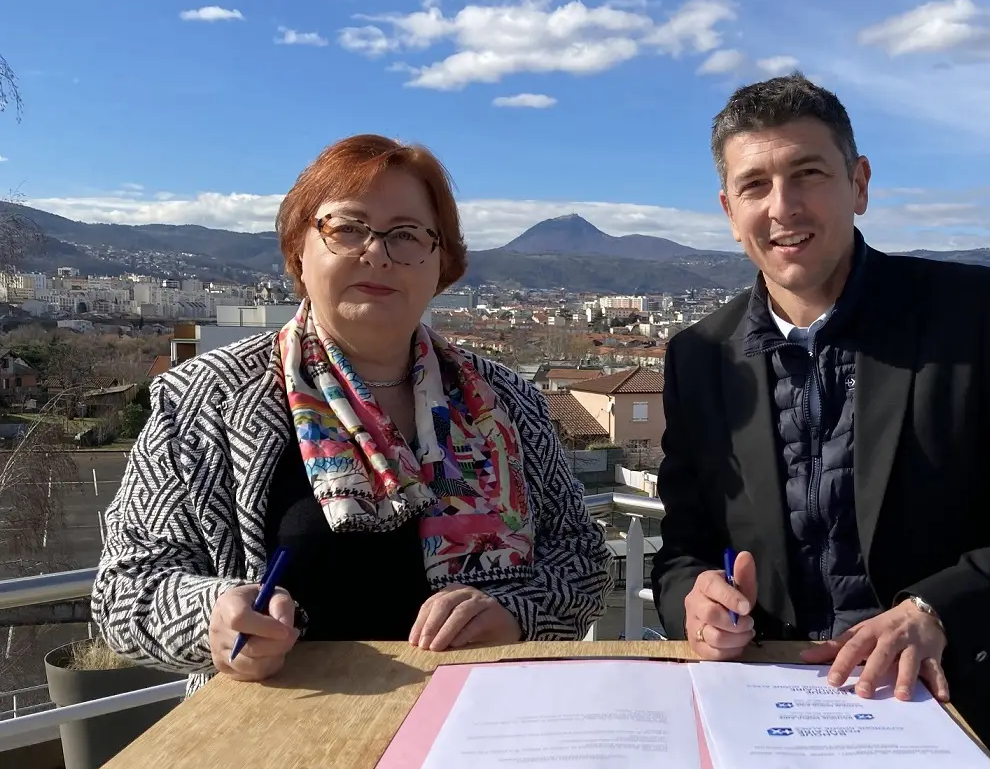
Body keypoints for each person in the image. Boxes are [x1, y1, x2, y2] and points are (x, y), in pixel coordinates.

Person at [649, 73, 990, 769]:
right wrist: (691, 599)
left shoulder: (973, 315)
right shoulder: (698, 355)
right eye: (755, 184)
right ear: (729, 212)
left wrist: (936, 608)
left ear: (858, 184)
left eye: (808, 174)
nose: (783, 206)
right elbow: (681, 550)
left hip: (958, 725)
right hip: (768, 738)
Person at [93, 134, 613, 691]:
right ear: (299, 249)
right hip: (281, 739)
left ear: (441, 263)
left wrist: (517, 611)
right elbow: (125, 592)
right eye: (347, 229)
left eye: (407, 235)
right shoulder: (205, 400)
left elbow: (581, 559)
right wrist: (213, 619)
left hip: (477, 724)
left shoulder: (509, 399)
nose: (377, 253)